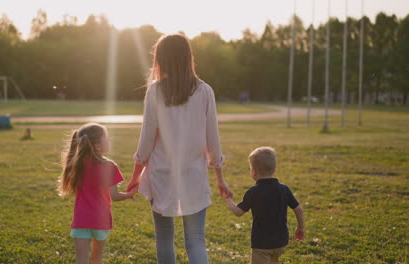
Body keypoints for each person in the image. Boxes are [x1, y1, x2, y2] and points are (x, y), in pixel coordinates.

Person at [125, 33, 232, 264]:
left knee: (164, 238)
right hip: (194, 176)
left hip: (161, 176)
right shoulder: (205, 91)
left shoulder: (155, 91)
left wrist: (135, 176)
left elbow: (146, 141)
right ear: (188, 57)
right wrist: (220, 178)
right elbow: (214, 142)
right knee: (196, 240)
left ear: (161, 59)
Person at [58, 123, 136, 264]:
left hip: (81, 219)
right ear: (98, 146)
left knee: (81, 259)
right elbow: (115, 196)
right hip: (101, 220)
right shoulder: (110, 166)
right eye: (106, 138)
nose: (110, 140)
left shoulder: (76, 165)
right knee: (96, 258)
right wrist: (129, 194)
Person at [221, 146, 305, 264]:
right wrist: (300, 227)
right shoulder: (284, 189)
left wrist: (227, 199)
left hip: (261, 243)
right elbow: (299, 209)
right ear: (274, 170)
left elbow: (238, 212)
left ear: (253, 171)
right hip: (280, 242)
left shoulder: (253, 191)